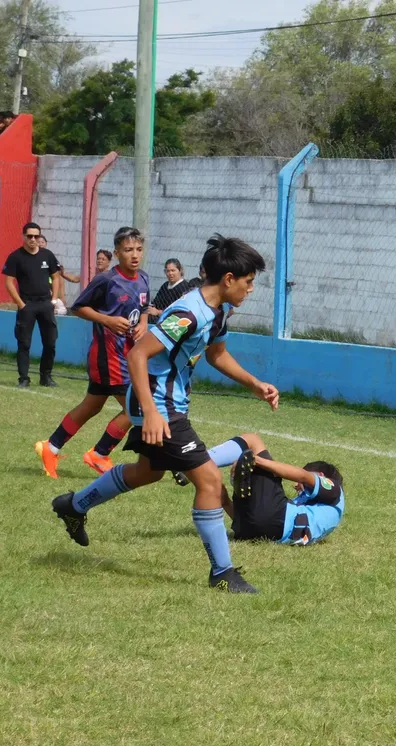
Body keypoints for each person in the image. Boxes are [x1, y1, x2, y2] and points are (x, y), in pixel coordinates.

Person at [51, 234, 278, 595]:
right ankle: (222, 572)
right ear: (229, 279)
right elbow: (137, 355)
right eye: (249, 282)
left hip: (169, 405)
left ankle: (74, 505)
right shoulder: (187, 313)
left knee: (147, 473)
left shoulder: (217, 314)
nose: (251, 290)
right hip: (159, 406)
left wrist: (254, 383)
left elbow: (217, 355)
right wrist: (153, 413)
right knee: (208, 481)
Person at [35, 227, 149, 478]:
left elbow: (143, 308)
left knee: (92, 405)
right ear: (117, 252)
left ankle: (50, 447)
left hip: (126, 354)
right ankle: (99, 454)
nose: (134, 255)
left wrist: (143, 323)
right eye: (128, 250)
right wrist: (107, 320)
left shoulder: (143, 278)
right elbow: (79, 308)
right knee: (137, 407)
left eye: (138, 249)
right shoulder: (107, 280)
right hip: (107, 355)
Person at [202, 433, 345, 545]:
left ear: (321, 476)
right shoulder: (318, 512)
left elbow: (302, 475)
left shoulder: (335, 490)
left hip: (276, 519)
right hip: (253, 531)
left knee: (253, 440)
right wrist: (225, 501)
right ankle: (245, 480)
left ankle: (195, 463)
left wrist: (256, 460)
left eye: (299, 482)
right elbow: (258, 521)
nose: (295, 484)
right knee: (257, 480)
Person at [1, 222, 60, 388]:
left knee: (50, 341)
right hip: (27, 305)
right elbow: (9, 282)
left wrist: (54, 300)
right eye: (30, 236)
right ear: (23, 237)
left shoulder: (47, 255)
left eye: (36, 236)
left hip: (45, 304)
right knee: (24, 342)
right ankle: (24, 378)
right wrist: (20, 304)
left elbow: (56, 277)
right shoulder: (15, 257)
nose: (33, 239)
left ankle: (46, 376)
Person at [37, 235, 78, 314]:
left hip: (50, 290)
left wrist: (61, 296)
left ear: (46, 244)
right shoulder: (32, 257)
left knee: (62, 310)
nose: (40, 244)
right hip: (39, 290)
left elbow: (59, 275)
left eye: (42, 242)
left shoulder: (49, 256)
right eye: (38, 242)